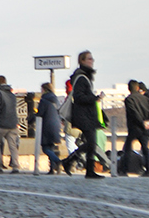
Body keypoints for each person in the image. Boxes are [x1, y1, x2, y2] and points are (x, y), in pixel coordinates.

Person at [63, 51, 104, 179]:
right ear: (82, 61)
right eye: (89, 59)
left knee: (91, 143)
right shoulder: (81, 77)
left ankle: (81, 166)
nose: (92, 61)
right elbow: (79, 97)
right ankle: (71, 162)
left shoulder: (84, 76)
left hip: (86, 115)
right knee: (91, 142)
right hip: (84, 115)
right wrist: (95, 98)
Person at [0, 76, 20, 173]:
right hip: (13, 124)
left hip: (1, 124)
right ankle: (15, 166)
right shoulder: (12, 94)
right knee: (12, 146)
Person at [29, 81, 63, 174]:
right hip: (55, 125)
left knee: (45, 148)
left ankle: (58, 161)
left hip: (47, 126)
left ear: (44, 89)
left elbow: (40, 113)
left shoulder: (44, 99)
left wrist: (31, 119)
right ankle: (52, 168)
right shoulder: (55, 99)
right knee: (51, 147)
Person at [123, 80, 149, 177]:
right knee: (145, 149)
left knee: (127, 148)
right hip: (145, 128)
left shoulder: (129, 99)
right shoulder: (146, 99)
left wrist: (141, 122)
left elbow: (133, 113)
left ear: (129, 88)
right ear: (138, 88)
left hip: (134, 127)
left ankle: (124, 170)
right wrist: (148, 124)